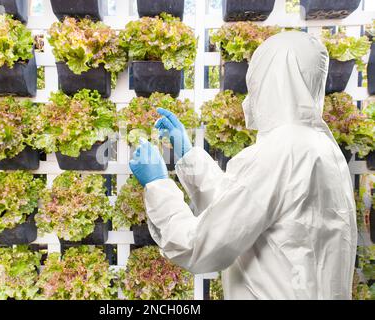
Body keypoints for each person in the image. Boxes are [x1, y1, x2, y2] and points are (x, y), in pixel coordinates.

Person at [129, 31, 357, 300]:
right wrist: (188, 155)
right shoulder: (321, 147)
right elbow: (242, 209)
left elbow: (198, 245)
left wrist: (157, 185)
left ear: (270, 80)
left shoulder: (282, 152)